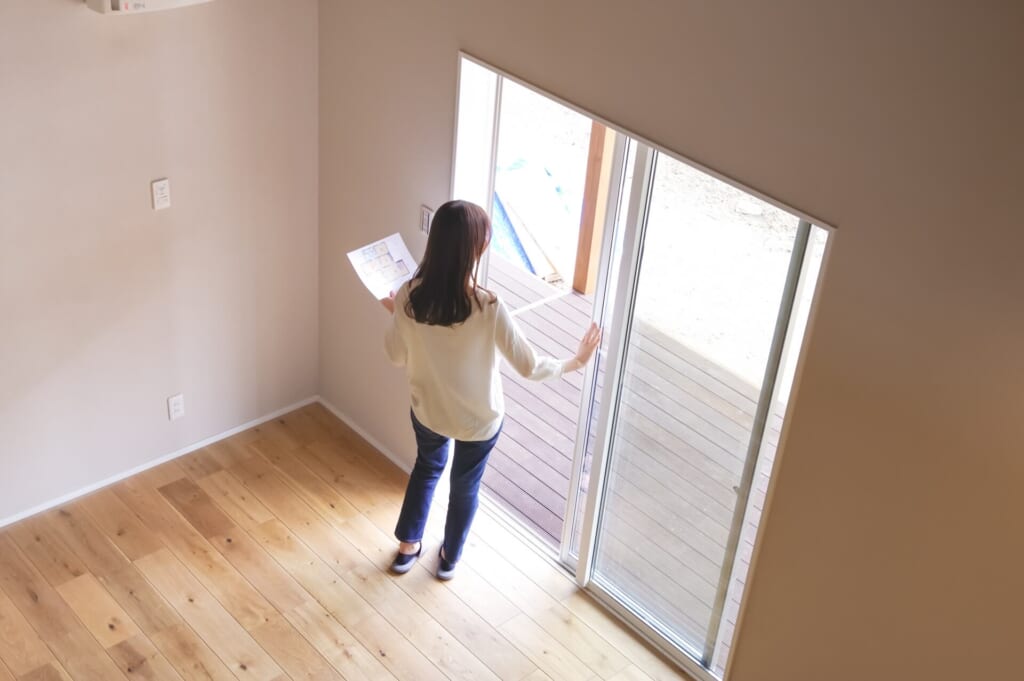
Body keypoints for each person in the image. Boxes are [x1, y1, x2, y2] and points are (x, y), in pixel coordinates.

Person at [381, 199, 601, 580]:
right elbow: (528, 366)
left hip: (428, 412)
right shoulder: (488, 307)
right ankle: (448, 559)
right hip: (479, 421)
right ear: (477, 250)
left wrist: (398, 316)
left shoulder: (408, 299)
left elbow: (395, 356)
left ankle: (407, 547)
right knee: (465, 487)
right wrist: (576, 362)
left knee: (427, 469)